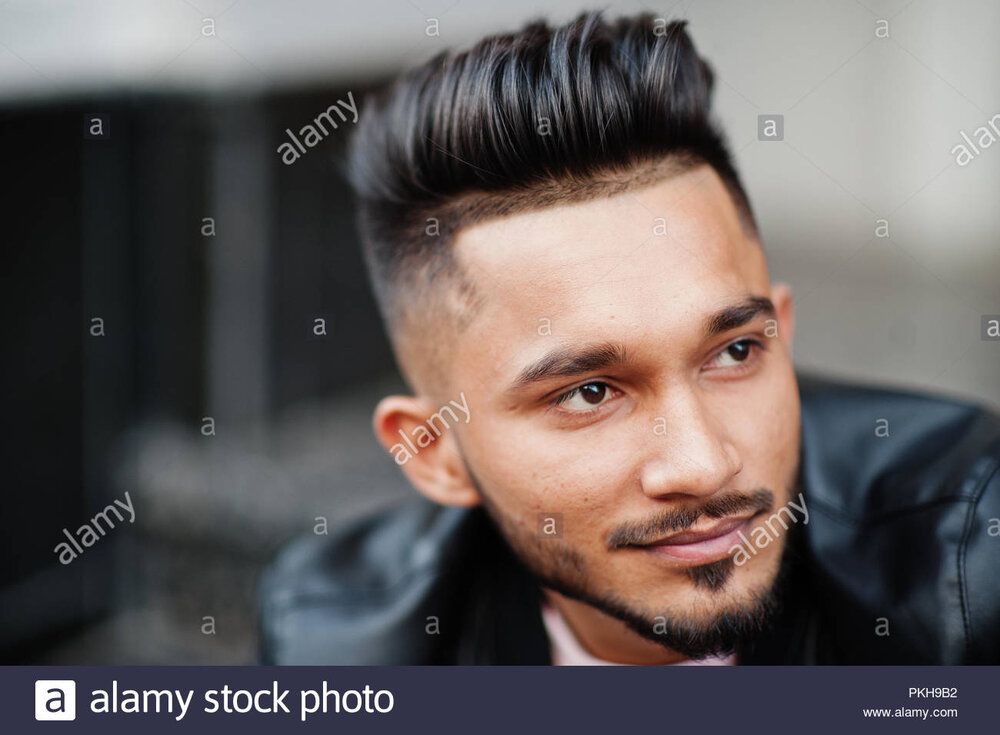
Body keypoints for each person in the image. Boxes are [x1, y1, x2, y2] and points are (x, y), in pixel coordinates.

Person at [259, 12, 1000, 665]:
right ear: (435, 452)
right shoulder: (337, 639)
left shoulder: (969, 561)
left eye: (736, 351)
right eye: (588, 393)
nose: (704, 463)